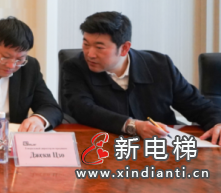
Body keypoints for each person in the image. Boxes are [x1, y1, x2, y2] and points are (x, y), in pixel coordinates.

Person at [63, 11, 221, 144]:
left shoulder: (160, 65)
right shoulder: (76, 67)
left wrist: (217, 123)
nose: (90, 54)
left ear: (124, 48)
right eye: (86, 44)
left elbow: (198, 106)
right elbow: (82, 108)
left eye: (99, 47)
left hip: (162, 149)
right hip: (103, 147)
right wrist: (133, 126)